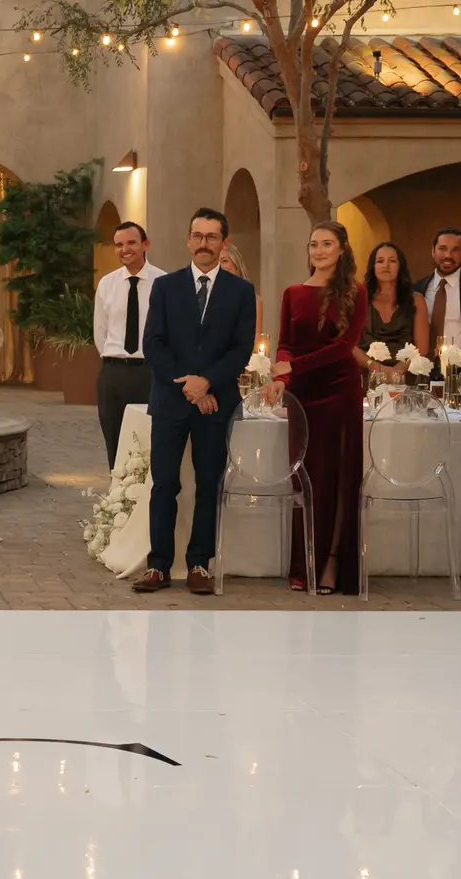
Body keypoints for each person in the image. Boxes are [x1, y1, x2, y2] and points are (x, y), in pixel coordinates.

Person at [131, 208, 255, 596]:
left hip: (217, 402)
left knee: (208, 484)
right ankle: (158, 566)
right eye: (197, 236)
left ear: (224, 244)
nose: (204, 244)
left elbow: (241, 349)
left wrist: (207, 384)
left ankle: (200, 563)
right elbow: (153, 342)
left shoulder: (241, 292)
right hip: (170, 400)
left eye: (212, 237)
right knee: (164, 484)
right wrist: (188, 386)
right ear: (188, 241)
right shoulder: (166, 287)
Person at [269, 221, 366, 594]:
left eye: (327, 244)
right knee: (305, 477)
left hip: (340, 391)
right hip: (302, 396)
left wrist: (293, 367)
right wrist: (281, 377)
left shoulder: (355, 292)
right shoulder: (293, 293)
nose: (320, 250)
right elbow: (286, 343)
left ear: (342, 248)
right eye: (314, 244)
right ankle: (303, 564)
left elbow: (344, 348)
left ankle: (331, 565)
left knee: (338, 478)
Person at [92, 219, 163, 466]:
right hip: (113, 374)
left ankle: (147, 502)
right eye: (119, 244)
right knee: (115, 443)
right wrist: (115, 359)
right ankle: (117, 501)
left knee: (150, 444)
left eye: (131, 242)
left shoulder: (164, 283)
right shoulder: (107, 284)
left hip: (150, 373)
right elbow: (100, 330)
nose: (125, 249)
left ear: (146, 244)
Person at [360, 241, 430, 382]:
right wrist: (378, 369)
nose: (386, 266)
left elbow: (422, 347)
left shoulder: (416, 300)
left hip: (405, 376)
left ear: (400, 266)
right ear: (373, 266)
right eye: (380, 261)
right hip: (366, 375)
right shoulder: (359, 298)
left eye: (392, 261)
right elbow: (349, 344)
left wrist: (397, 371)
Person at [423, 227, 461, 367]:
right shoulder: (418, 289)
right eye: (442, 248)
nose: (448, 255)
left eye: (455, 250)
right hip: (426, 371)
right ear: (433, 251)